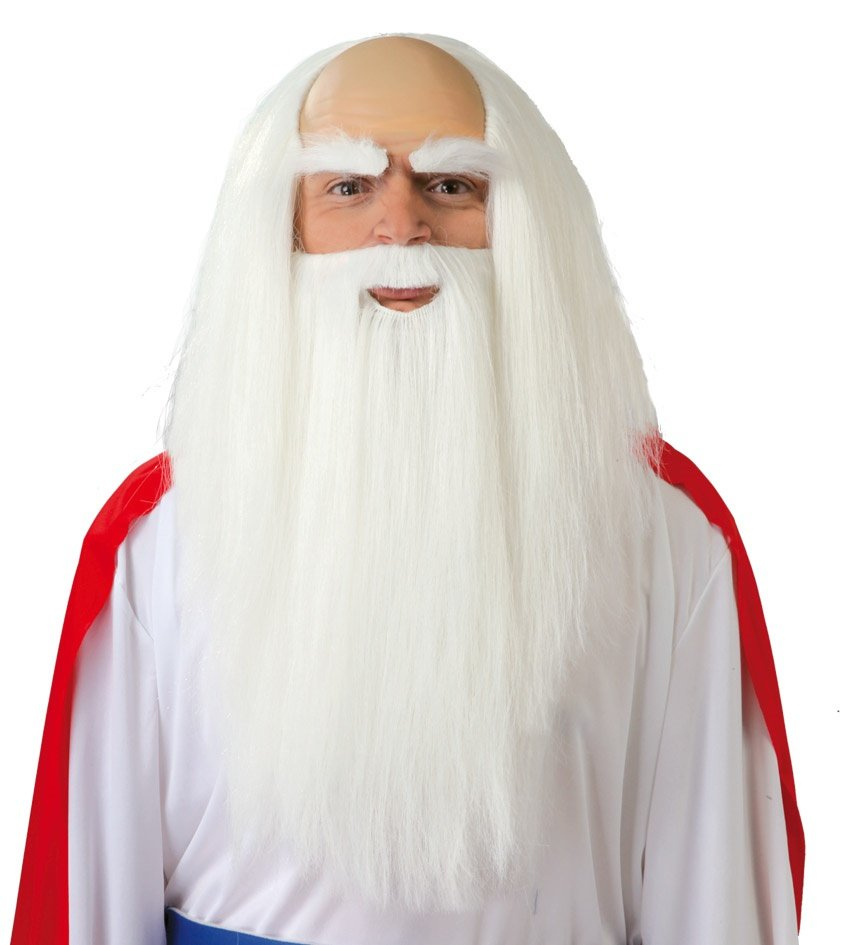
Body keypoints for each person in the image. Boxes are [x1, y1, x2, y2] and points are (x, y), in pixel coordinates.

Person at [11, 33, 803, 945]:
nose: (401, 226)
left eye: (451, 183)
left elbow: (715, 900)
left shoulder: (664, 532)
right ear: (281, 230)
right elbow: (86, 905)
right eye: (348, 186)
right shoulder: (156, 544)